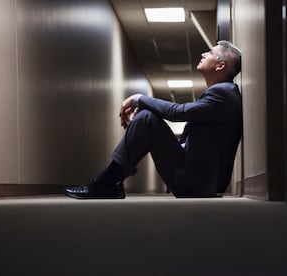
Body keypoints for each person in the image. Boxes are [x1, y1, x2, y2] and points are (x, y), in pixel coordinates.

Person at [65, 40, 242, 199]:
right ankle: (110, 182)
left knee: (147, 119)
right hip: (198, 177)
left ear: (220, 66)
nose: (203, 54)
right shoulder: (224, 93)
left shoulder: (223, 93)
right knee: (146, 118)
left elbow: (177, 112)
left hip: (198, 183)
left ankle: (107, 182)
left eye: (210, 52)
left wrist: (139, 99)